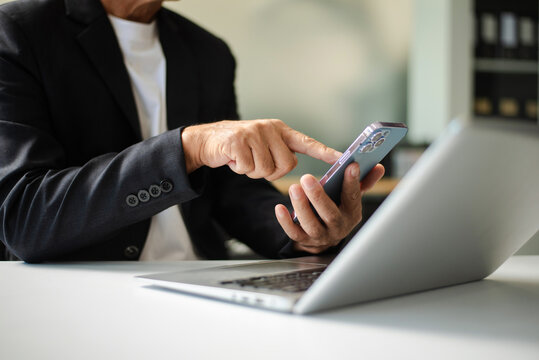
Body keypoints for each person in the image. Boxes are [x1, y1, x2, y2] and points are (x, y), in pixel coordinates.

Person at [0, 0, 384, 262]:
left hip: (201, 284)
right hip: (86, 299)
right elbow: (23, 217)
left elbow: (233, 192)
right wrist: (188, 147)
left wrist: (301, 229)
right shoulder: (17, 32)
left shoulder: (207, 52)